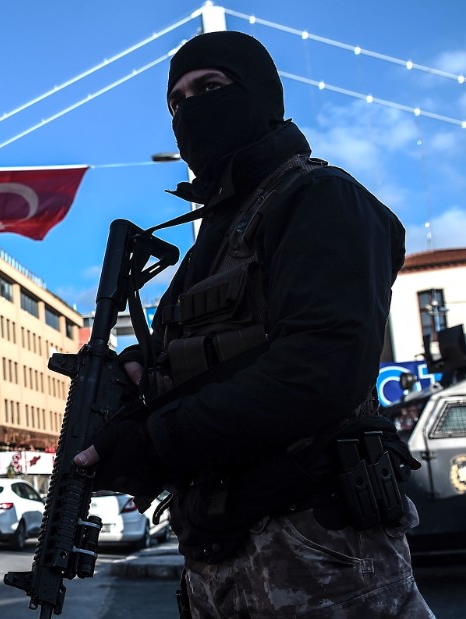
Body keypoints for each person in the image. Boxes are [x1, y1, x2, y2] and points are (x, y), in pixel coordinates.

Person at [74, 31, 434, 617]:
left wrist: (156, 442)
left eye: (210, 87)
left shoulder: (320, 199)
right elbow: (221, 349)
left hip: (317, 547)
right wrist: (144, 368)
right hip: (219, 548)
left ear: (260, 97)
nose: (191, 110)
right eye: (176, 102)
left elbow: (319, 371)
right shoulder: (214, 235)